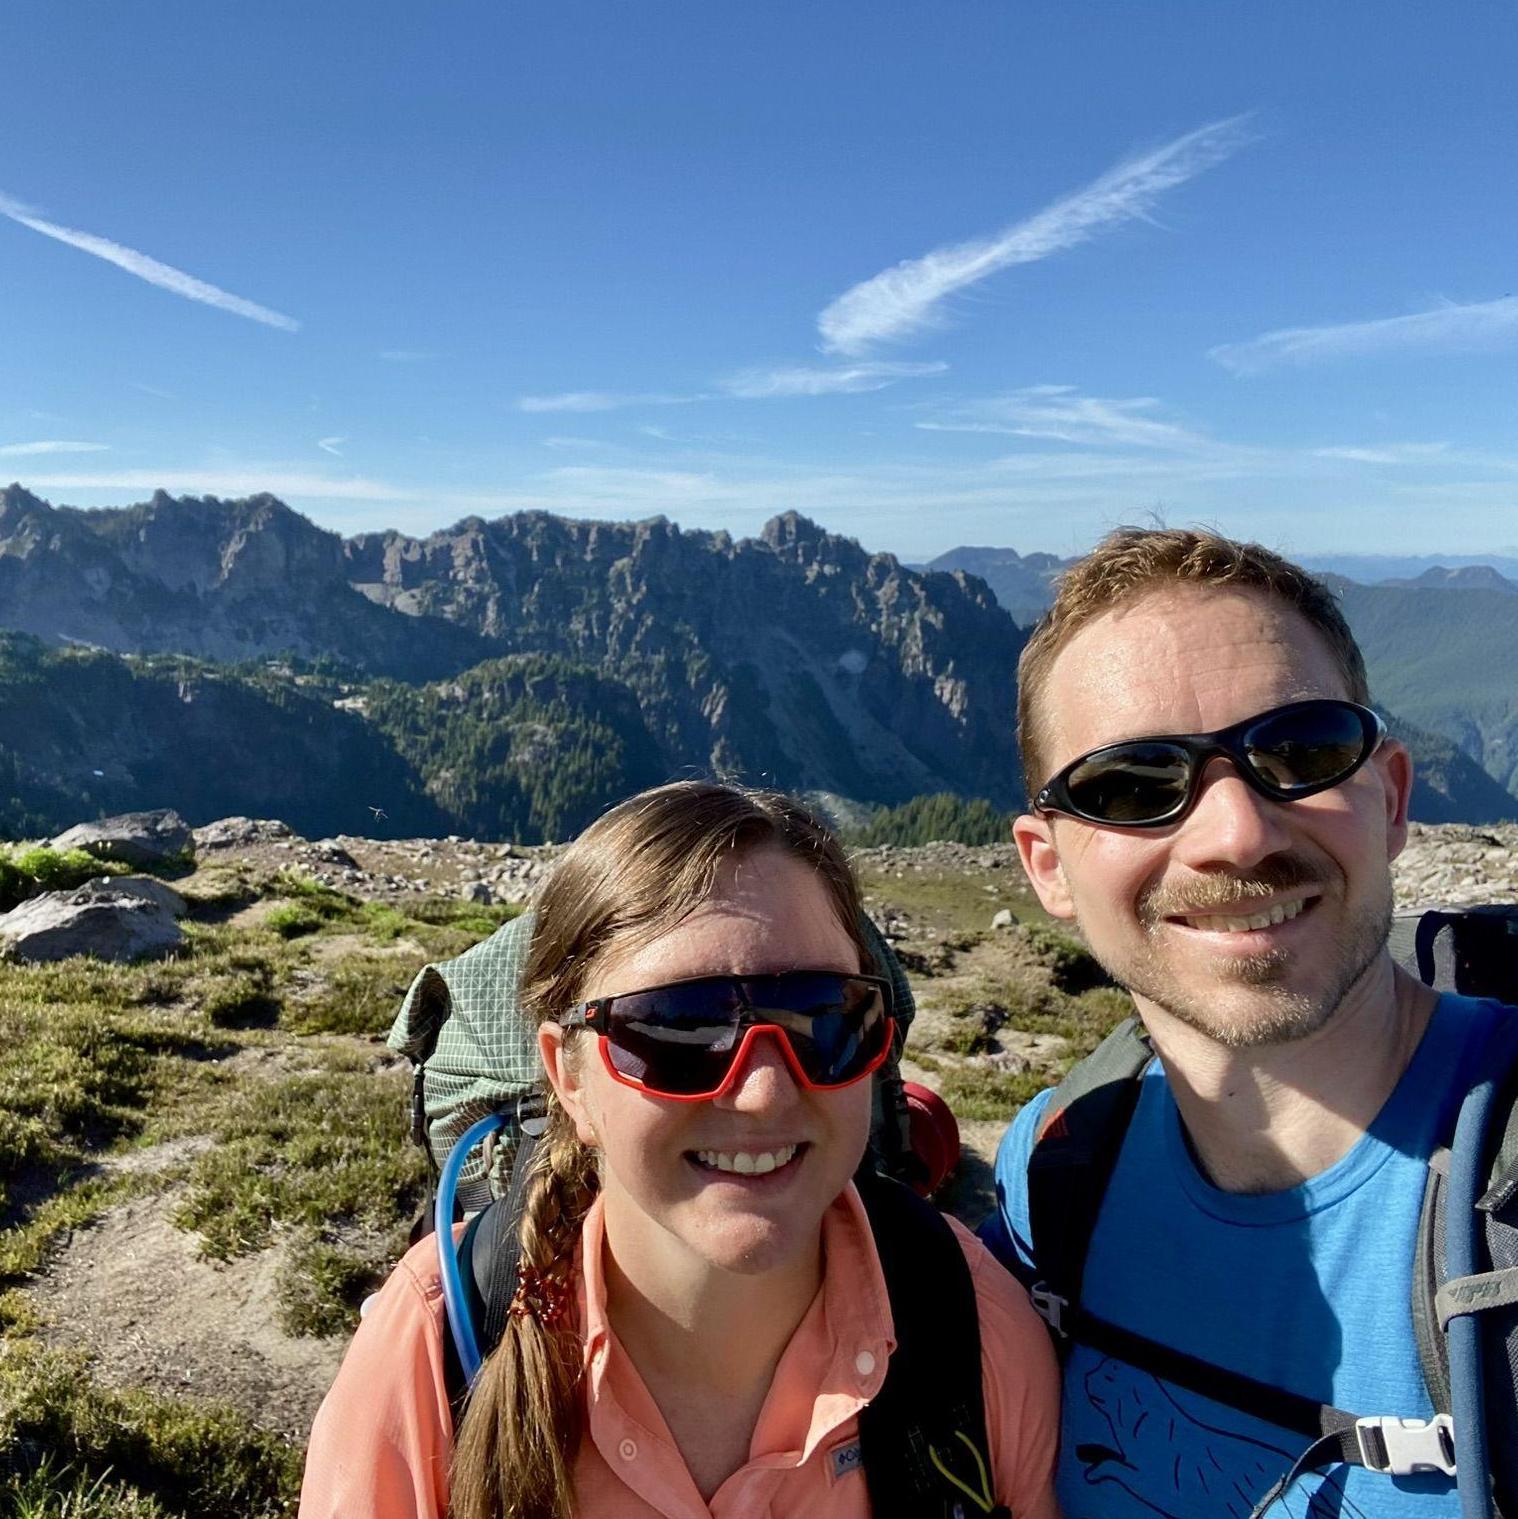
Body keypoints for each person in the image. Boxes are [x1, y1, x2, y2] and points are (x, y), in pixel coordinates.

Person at [301, 780, 1060, 1519]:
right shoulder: (431, 1346)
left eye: (825, 1018)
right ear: (569, 1075)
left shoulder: (972, 1323)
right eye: (676, 1030)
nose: (763, 1091)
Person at [979, 526, 1512, 1518]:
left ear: (1390, 798)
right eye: (1134, 788)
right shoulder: (1052, 1168)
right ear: (1045, 865)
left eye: (1302, 750)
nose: (1237, 832)